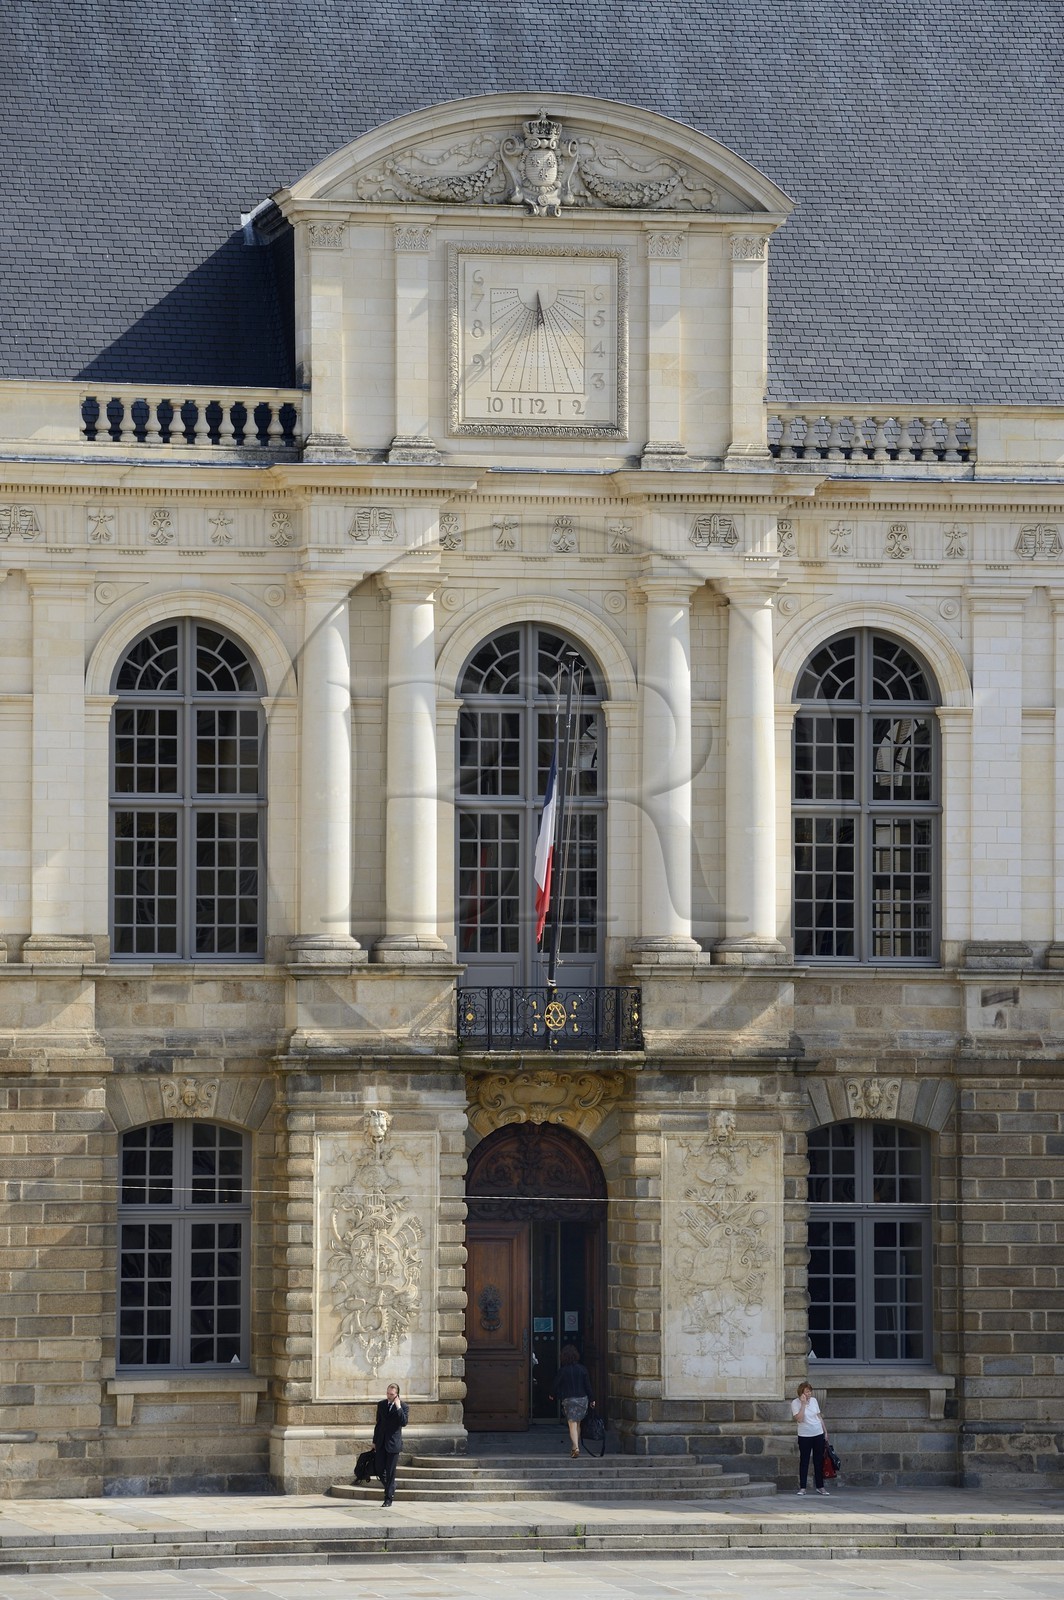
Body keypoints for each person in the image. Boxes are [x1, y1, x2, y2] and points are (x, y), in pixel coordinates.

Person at [549, 1344, 594, 1458]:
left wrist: (552, 1394)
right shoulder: (583, 1369)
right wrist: (592, 1399)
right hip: (582, 1399)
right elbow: (588, 1385)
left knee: (572, 1424)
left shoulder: (563, 1371)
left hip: (569, 1399)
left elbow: (556, 1384)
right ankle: (575, 1447)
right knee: (577, 1423)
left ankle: (576, 1447)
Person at [791, 1380, 830, 1496]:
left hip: (817, 1433)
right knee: (804, 1461)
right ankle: (802, 1487)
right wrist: (803, 1405)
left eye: (810, 1392)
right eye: (807, 1392)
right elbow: (799, 1419)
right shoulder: (795, 1403)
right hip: (804, 1435)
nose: (809, 1394)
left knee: (818, 1461)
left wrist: (825, 1431)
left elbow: (818, 1416)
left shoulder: (814, 1401)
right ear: (801, 1393)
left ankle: (820, 1486)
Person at [373, 1382, 408, 1506]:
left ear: (396, 1394)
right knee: (379, 1468)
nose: (388, 1396)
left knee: (390, 1471)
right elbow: (378, 1424)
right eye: (387, 1393)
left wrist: (398, 1407)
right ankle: (391, 1486)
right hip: (381, 1442)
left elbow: (403, 1422)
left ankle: (388, 1498)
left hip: (393, 1443)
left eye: (391, 1394)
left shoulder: (403, 1406)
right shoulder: (381, 1404)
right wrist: (374, 1441)